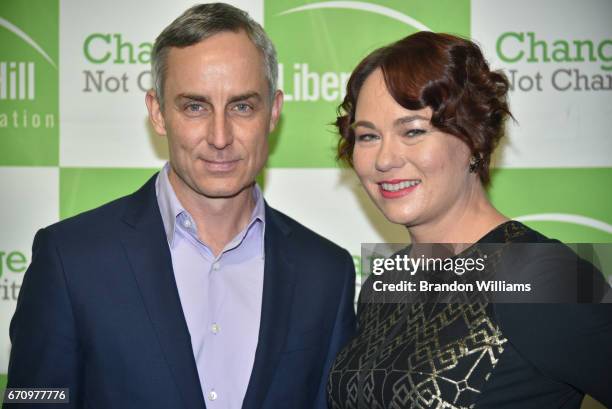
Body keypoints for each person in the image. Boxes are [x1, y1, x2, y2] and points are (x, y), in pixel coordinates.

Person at [5, 4, 356, 409]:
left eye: (242, 106)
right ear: (157, 112)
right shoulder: (70, 259)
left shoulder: (326, 272)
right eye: (195, 107)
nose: (220, 136)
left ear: (273, 111)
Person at [326, 32, 612, 408]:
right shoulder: (385, 282)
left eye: (413, 131)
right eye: (367, 136)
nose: (384, 159)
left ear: (474, 138)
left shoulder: (540, 277)